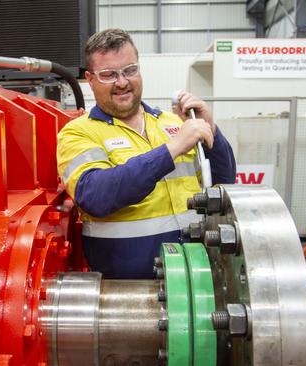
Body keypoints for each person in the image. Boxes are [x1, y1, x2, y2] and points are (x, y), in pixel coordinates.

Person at [57, 28, 236, 279]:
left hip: (196, 273)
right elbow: (95, 196)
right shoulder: (78, 133)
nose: (122, 82)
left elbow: (223, 182)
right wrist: (172, 149)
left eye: (130, 70)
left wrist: (212, 130)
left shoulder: (172, 122)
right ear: (90, 79)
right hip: (127, 286)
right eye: (109, 74)